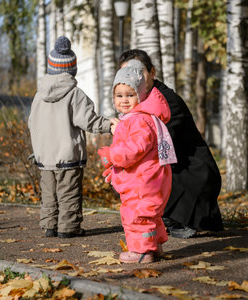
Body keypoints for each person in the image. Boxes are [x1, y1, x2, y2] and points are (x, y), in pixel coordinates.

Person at [118, 49, 223, 238]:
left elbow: (151, 145)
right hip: (178, 171)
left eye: (138, 72)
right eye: (125, 73)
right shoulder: (139, 99)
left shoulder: (164, 101)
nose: (132, 78)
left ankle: (177, 219)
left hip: (191, 175)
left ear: (152, 72)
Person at [28, 36, 118, 238]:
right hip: (68, 156)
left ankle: (49, 226)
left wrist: (39, 148)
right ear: (71, 70)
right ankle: (68, 228)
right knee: (69, 194)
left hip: (45, 158)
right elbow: (88, 120)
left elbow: (31, 123)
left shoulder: (38, 95)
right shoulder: (74, 94)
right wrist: (108, 126)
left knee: (49, 195)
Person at [98, 59, 176, 263]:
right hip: (148, 177)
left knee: (136, 215)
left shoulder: (139, 119)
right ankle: (154, 246)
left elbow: (135, 149)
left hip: (142, 180)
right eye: (119, 96)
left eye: (130, 95)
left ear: (140, 96)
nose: (124, 100)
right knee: (150, 215)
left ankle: (141, 252)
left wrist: (111, 155)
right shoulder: (139, 117)